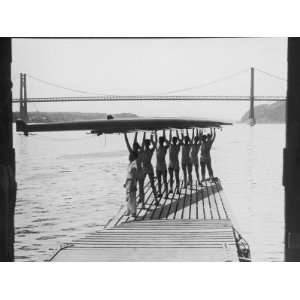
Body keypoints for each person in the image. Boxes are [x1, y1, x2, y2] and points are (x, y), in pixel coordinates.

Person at [124, 132, 145, 208]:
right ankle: (143, 204)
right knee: (141, 188)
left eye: (133, 146)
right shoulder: (140, 152)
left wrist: (125, 134)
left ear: (134, 147)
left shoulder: (132, 153)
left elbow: (127, 143)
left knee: (133, 190)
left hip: (134, 174)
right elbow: (142, 144)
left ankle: (134, 204)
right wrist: (144, 133)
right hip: (141, 172)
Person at [142, 132, 159, 204]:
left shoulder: (145, 150)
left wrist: (150, 135)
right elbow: (155, 144)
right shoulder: (147, 150)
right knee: (145, 184)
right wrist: (150, 135)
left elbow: (155, 144)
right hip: (147, 168)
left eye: (146, 143)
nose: (145, 144)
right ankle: (143, 199)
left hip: (147, 168)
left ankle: (155, 199)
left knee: (150, 184)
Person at [155, 130, 169, 199]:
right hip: (158, 167)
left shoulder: (165, 147)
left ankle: (166, 193)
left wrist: (164, 133)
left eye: (161, 141)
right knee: (159, 181)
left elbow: (168, 143)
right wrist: (155, 133)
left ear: (163, 141)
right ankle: (160, 193)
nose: (160, 141)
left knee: (165, 180)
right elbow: (154, 140)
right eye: (159, 140)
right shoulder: (157, 147)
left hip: (163, 166)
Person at [123, 151, 138, 217]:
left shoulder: (134, 164)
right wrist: (125, 183)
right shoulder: (130, 164)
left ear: (133, 157)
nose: (129, 156)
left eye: (130, 155)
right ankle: (128, 211)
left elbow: (134, 176)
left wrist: (134, 184)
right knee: (128, 197)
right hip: (128, 182)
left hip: (132, 181)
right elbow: (128, 175)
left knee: (132, 197)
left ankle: (133, 212)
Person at [168, 130, 181, 194]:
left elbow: (180, 141)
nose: (173, 141)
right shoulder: (170, 145)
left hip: (175, 163)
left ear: (176, 141)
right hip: (171, 163)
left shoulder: (177, 146)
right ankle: (171, 189)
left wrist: (177, 132)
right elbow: (167, 139)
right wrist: (170, 132)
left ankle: (177, 189)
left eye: (174, 140)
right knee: (171, 177)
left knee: (176, 177)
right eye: (173, 140)